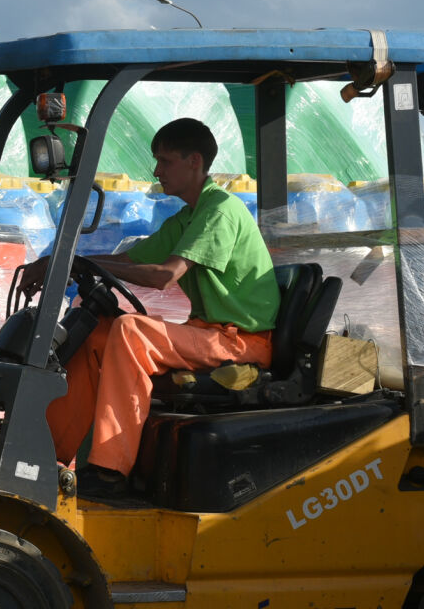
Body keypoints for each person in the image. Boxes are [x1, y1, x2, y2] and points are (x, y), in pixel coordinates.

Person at [24, 117, 279, 499]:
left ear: (194, 161)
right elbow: (128, 261)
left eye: (165, 161)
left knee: (131, 331)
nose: (157, 171)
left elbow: (164, 275)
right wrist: (68, 260)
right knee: (99, 332)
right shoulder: (187, 218)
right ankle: (44, 454)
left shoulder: (221, 210)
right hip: (209, 334)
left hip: (241, 342)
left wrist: (76, 262)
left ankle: (110, 470)